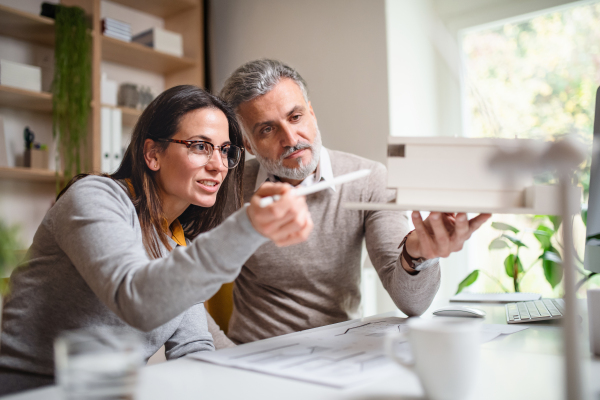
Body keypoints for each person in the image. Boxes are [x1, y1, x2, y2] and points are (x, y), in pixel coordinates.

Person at [0, 85, 312, 395]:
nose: (218, 165)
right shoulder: (93, 197)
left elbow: (194, 347)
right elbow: (136, 299)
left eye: (225, 150)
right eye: (200, 146)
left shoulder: (176, 242)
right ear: (152, 154)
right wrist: (247, 227)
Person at [210, 59, 491, 345]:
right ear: (247, 143)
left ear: (312, 114)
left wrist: (417, 254)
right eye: (267, 130)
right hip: (251, 356)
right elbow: (181, 280)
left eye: (295, 117)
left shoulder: (368, 179)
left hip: (338, 354)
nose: (291, 138)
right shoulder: (225, 187)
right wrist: (220, 349)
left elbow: (413, 305)